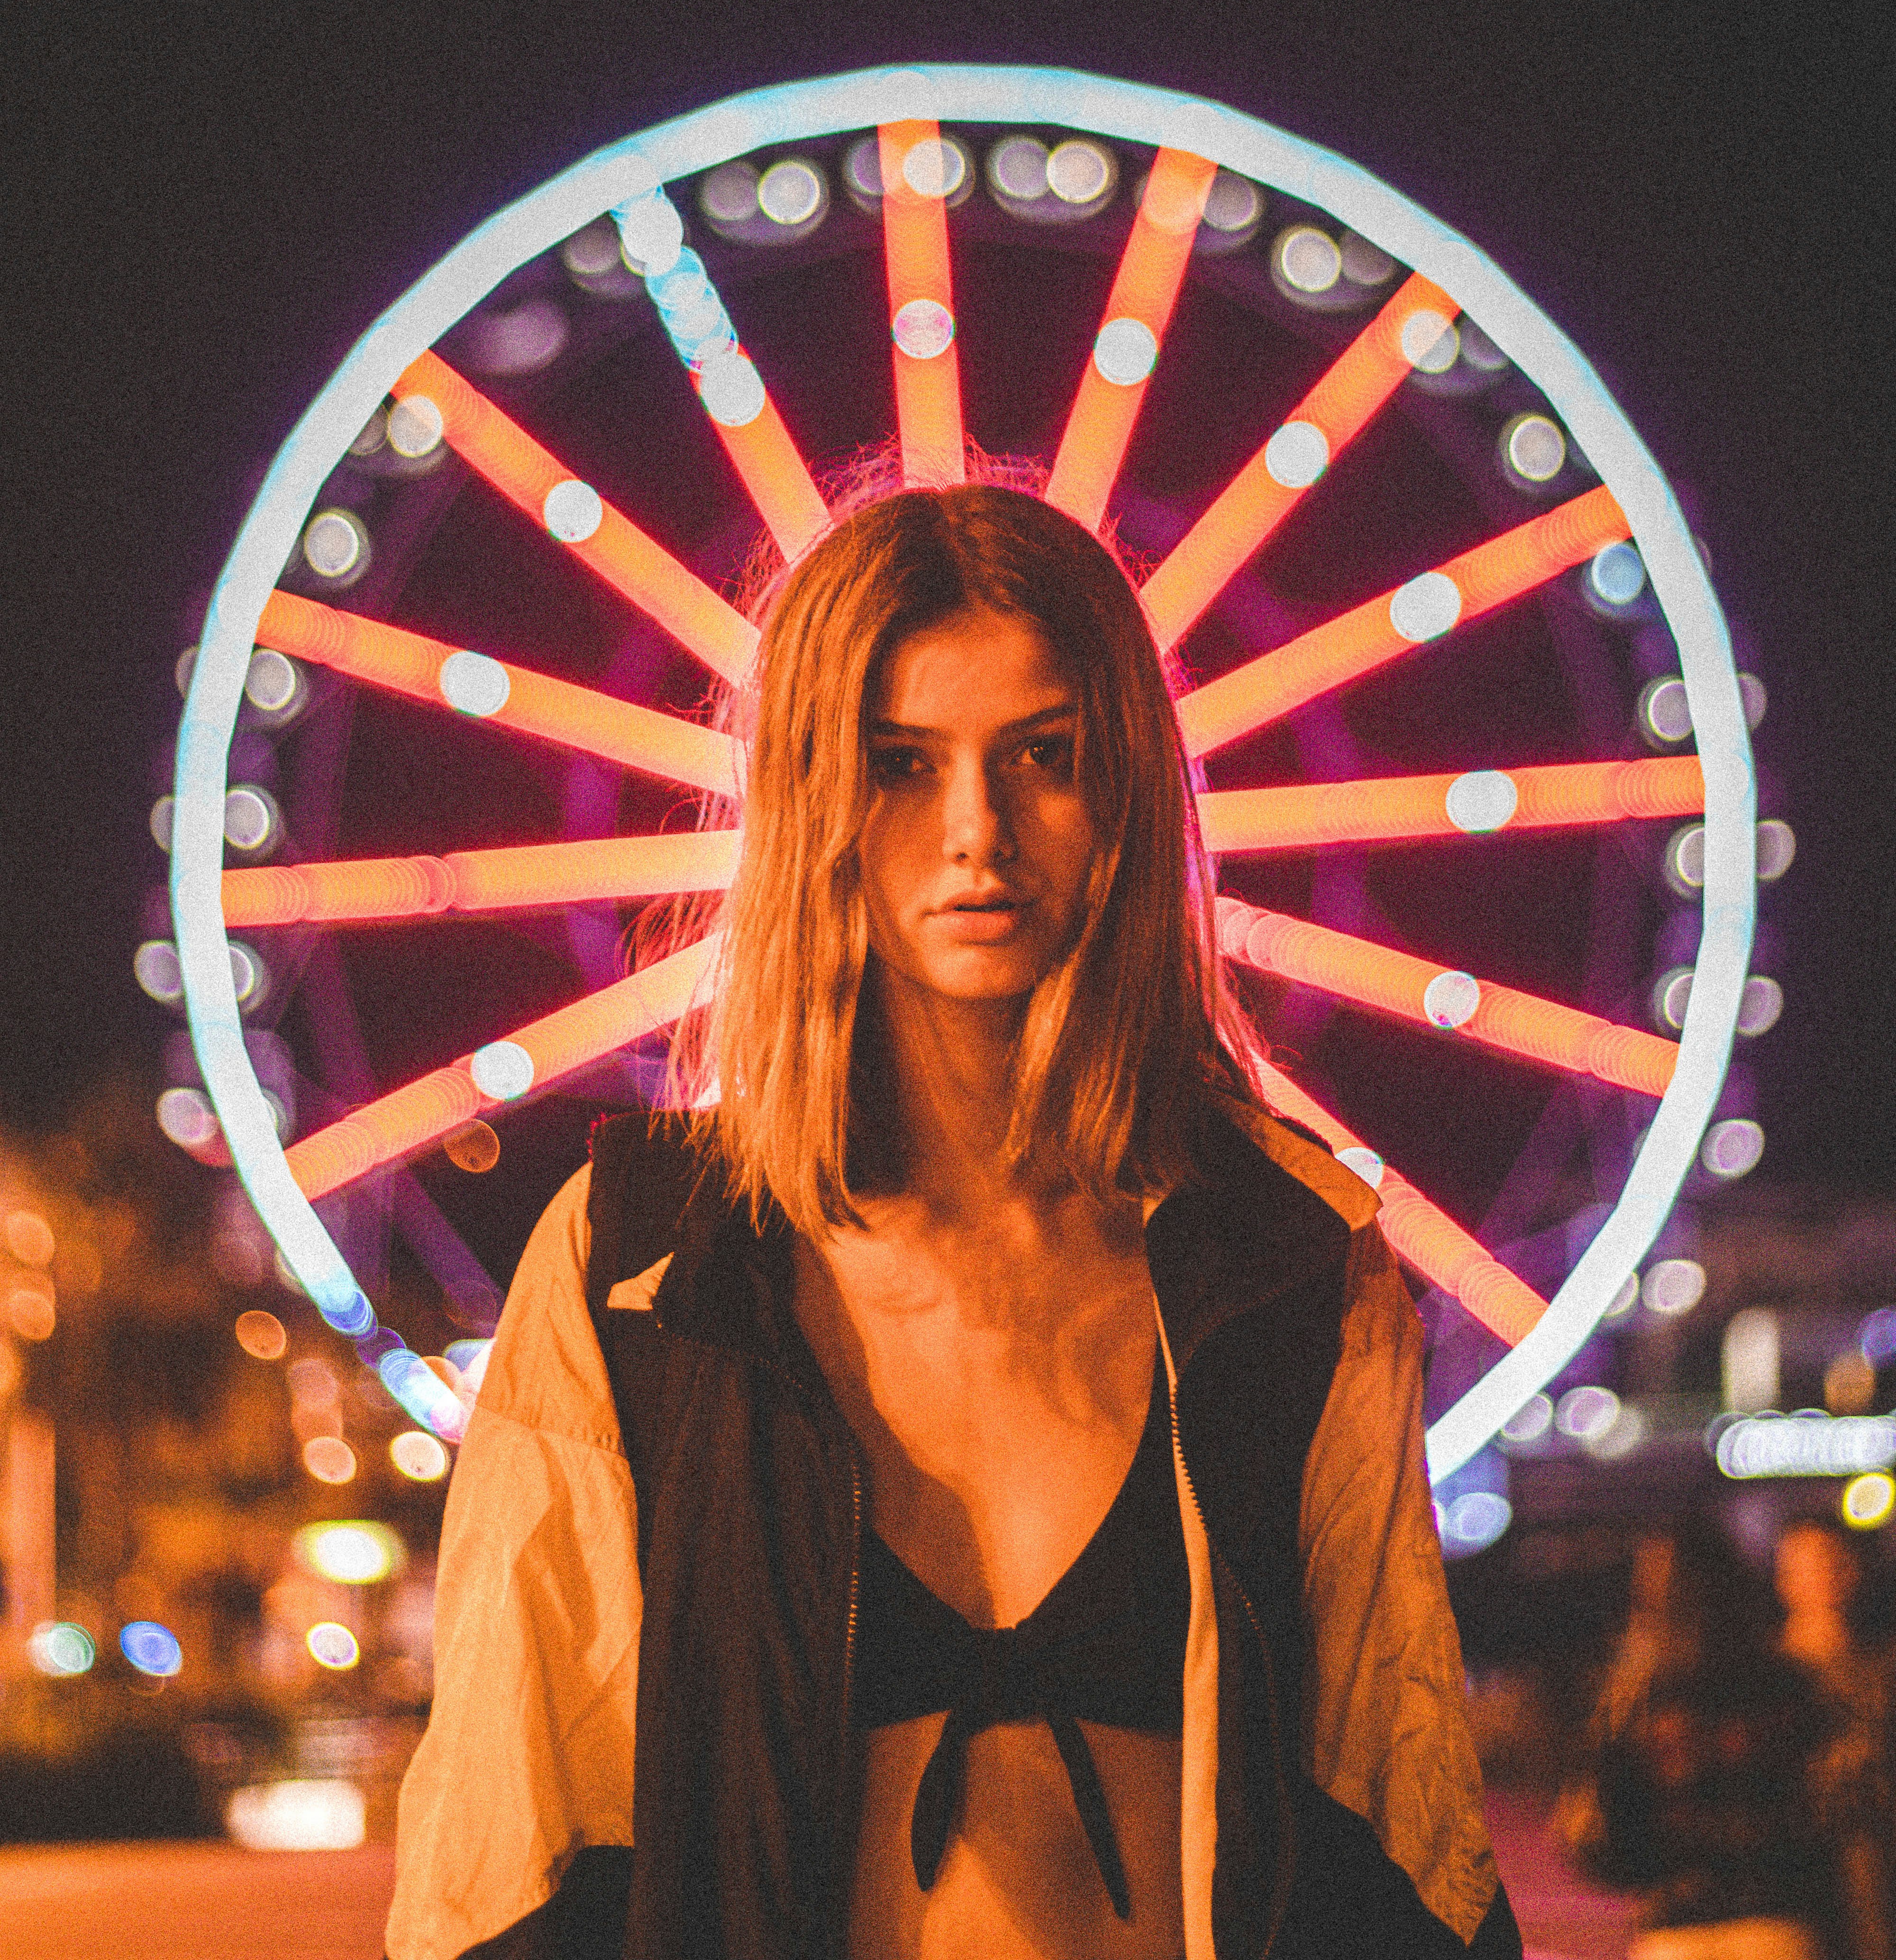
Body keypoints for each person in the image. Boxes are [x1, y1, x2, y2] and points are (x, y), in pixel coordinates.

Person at [386, 478, 1522, 1959]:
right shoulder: (641, 1274)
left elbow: (1402, 1820)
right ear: (813, 802)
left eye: (1040, 754)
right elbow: (506, 1844)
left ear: (1121, 783)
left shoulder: (1292, 1265)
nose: (974, 828)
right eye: (900, 763)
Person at [1561, 1515, 1841, 1960]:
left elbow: (1610, 1818)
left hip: (1676, 1929)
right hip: (1775, 1923)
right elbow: (1827, 1805)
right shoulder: (1788, 1686)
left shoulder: (1636, 1702)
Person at [1774, 1518, 1894, 1960]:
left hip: (1874, 1850)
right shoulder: (1766, 1671)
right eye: (1807, 1564)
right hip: (1792, 1853)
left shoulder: (1883, 1665)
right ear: (1783, 1579)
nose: (1823, 1575)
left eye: (1833, 1561)